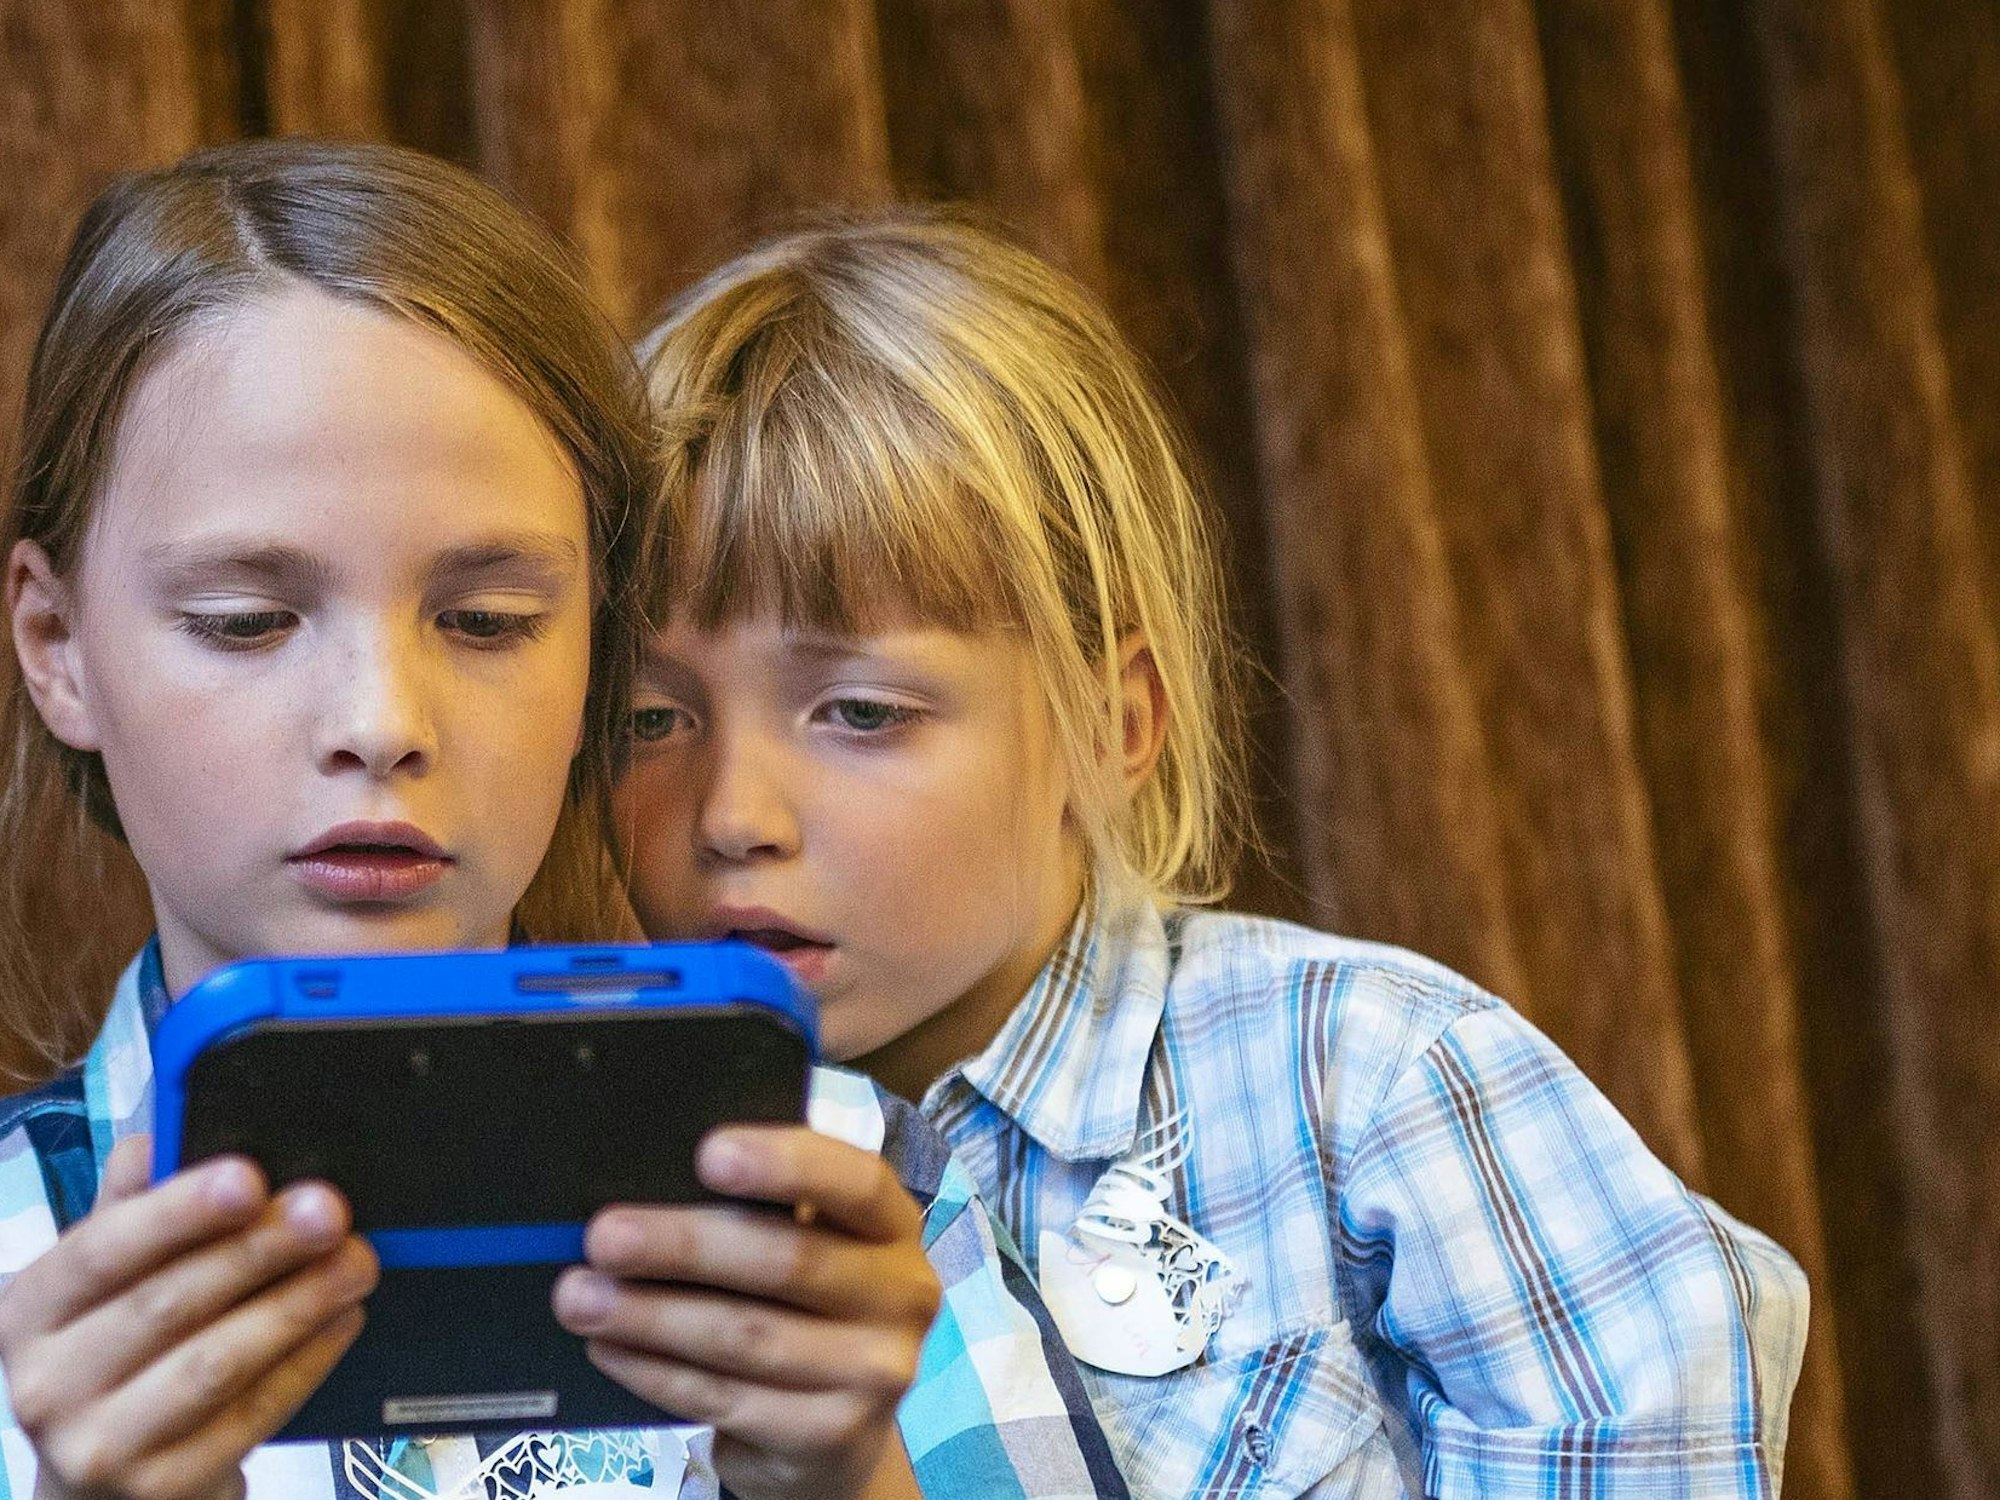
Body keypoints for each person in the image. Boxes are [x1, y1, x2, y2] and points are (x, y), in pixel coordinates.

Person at [619, 212, 1813, 1499]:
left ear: (1113, 724)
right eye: (648, 719)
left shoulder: (1377, 1086)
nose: (732, 812)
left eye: (860, 712)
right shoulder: (588, 1167)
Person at [0, 144, 1124, 1500]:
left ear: (600, 648)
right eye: (247, 621)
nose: (382, 721)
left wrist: (846, 1477)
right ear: (56, 644)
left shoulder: (848, 1219)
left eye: (487, 622)